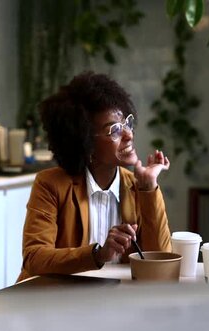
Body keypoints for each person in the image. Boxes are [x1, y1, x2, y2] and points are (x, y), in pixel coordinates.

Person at [17, 71, 172, 282]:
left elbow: (161, 265)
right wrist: (98, 254)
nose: (128, 135)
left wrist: (149, 188)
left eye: (127, 123)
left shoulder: (138, 187)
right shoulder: (50, 185)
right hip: (55, 302)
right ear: (84, 141)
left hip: (113, 304)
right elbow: (34, 258)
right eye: (115, 129)